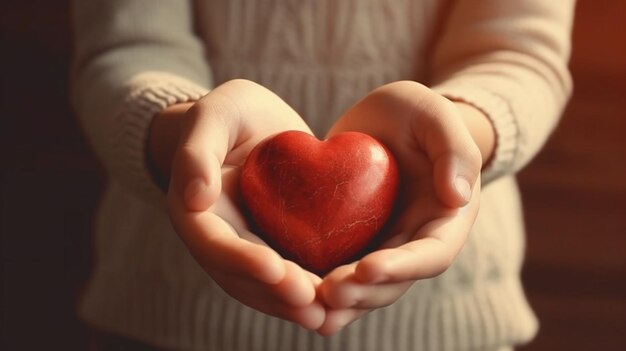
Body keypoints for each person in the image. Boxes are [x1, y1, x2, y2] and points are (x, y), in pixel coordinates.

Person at [71, 1, 575, 350]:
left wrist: (455, 137)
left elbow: (520, 54)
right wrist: (187, 139)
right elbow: (124, 44)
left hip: (450, 321)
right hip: (165, 309)